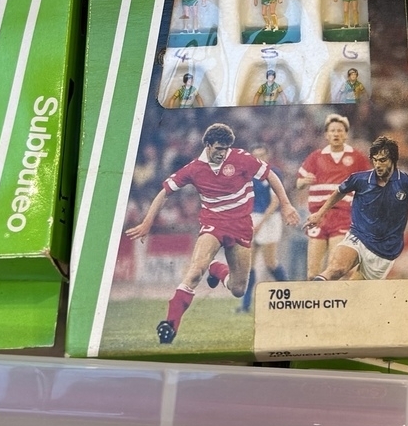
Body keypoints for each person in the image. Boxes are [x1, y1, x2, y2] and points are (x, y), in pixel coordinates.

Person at [124, 122, 300, 345]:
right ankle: (170, 324)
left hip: (241, 226)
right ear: (207, 145)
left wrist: (285, 204)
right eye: (218, 148)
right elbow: (164, 192)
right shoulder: (194, 168)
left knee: (238, 289)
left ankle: (217, 269)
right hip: (213, 225)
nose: (222, 153)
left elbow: (271, 177)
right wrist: (147, 222)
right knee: (195, 271)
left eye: (226, 148)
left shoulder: (241, 158)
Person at [310, 136, 408, 282]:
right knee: (336, 268)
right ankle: (318, 294)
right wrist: (320, 213)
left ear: (393, 160)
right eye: (375, 160)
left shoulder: (407, 183)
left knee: (356, 289)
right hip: (358, 236)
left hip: (385, 250)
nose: (378, 165)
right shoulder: (360, 179)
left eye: (383, 160)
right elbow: (339, 192)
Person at [295, 114, 362, 280]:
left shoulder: (356, 158)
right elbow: (298, 184)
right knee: (312, 272)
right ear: (326, 135)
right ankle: (317, 303)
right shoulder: (316, 157)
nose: (336, 134)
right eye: (332, 130)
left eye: (340, 130)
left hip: (342, 216)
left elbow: (367, 184)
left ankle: (336, 304)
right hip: (317, 216)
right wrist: (304, 181)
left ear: (346, 134)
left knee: (334, 269)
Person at [238, 143, 285, 314]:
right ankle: (245, 305)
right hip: (253, 218)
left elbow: (275, 202)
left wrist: (260, 223)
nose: (258, 158)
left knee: (270, 262)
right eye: (255, 155)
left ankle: (291, 295)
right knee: (248, 263)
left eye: (262, 155)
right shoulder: (248, 175)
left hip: (270, 219)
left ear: (268, 156)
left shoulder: (273, 173)